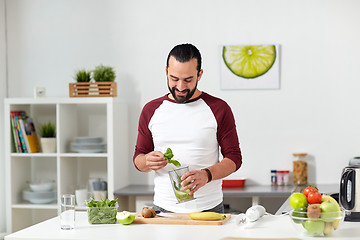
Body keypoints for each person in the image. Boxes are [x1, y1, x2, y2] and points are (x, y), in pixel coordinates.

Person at [133, 43, 242, 213]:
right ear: (166, 72)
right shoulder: (151, 109)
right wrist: (147, 161)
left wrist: (207, 175)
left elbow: (234, 158)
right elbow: (138, 159)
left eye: (188, 80)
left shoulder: (219, 108)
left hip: (208, 210)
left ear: (200, 74)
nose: (181, 87)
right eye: (174, 79)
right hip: (163, 210)